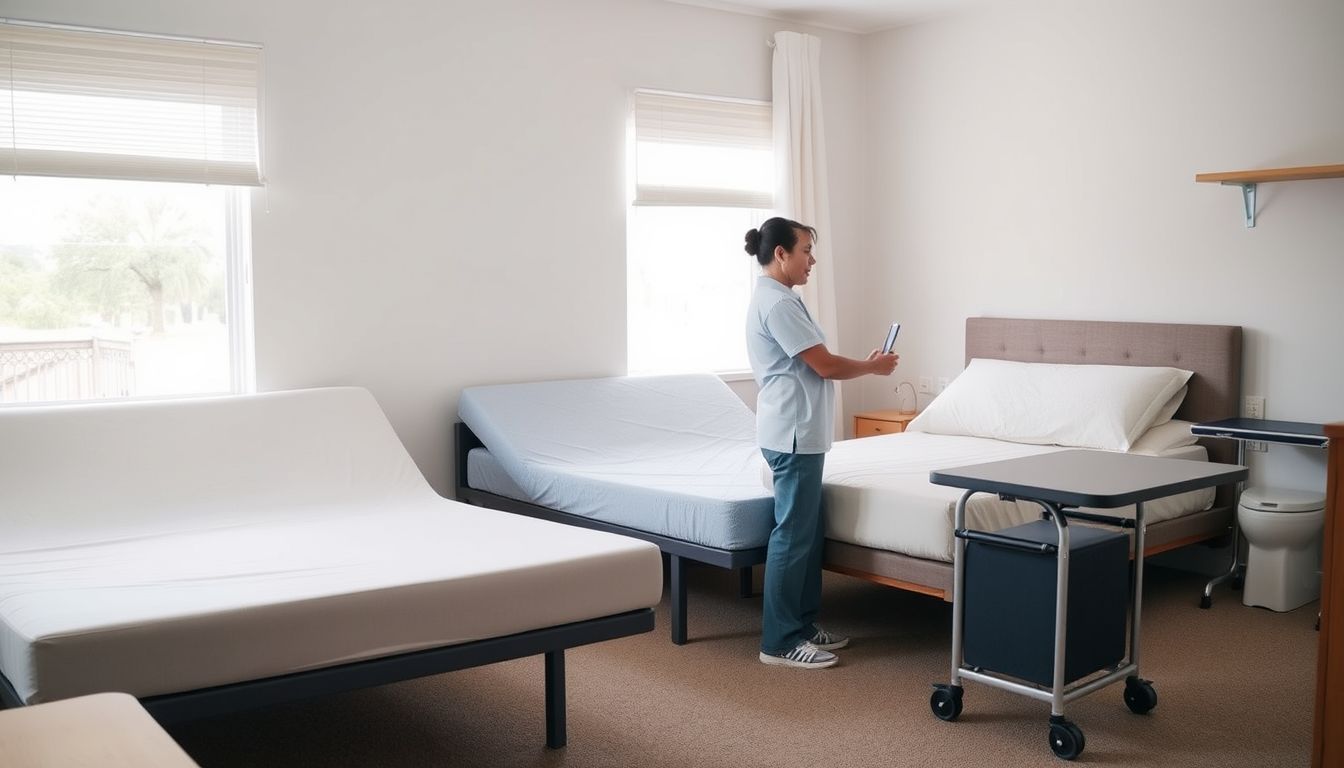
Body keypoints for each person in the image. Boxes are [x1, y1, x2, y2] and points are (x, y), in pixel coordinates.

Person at [744, 217, 898, 669]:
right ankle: (779, 641)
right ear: (781, 254)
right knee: (792, 536)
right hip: (791, 434)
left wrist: (865, 365)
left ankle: (803, 625)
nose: (812, 260)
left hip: (800, 433)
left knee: (806, 534)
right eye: (806, 251)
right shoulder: (777, 305)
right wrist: (872, 369)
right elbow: (824, 366)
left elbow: (819, 362)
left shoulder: (782, 298)